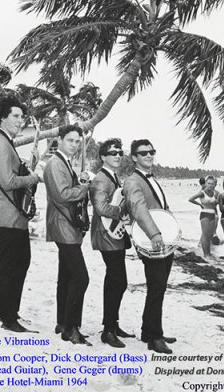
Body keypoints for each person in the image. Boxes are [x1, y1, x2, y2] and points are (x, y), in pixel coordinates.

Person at [0, 96, 40, 332]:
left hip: (14, 214)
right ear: (3, 117)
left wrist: (28, 166)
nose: (20, 121)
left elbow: (9, 172)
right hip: (9, 213)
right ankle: (7, 318)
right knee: (10, 266)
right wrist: (33, 178)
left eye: (21, 117)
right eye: (16, 116)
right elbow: (8, 181)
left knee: (20, 262)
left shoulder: (5, 141)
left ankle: (11, 313)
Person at [123, 139, 176, 354]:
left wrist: (172, 228)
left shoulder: (151, 178)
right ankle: (154, 337)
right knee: (157, 286)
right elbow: (139, 209)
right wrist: (154, 233)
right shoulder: (133, 181)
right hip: (149, 239)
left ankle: (150, 330)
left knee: (159, 287)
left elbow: (161, 206)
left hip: (163, 239)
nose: (148, 156)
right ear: (134, 157)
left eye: (151, 152)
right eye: (143, 153)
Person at [43, 124, 91, 346]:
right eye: (70, 140)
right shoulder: (55, 164)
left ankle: (63, 322)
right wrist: (84, 186)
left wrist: (78, 180)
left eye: (77, 141)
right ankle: (71, 328)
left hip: (65, 224)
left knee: (67, 276)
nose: (74, 144)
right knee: (81, 277)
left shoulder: (64, 162)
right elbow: (62, 194)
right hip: (63, 225)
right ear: (60, 140)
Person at [90, 138, 134, 348]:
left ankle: (112, 325)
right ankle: (108, 329)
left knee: (115, 280)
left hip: (114, 233)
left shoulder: (113, 177)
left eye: (120, 152)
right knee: (117, 280)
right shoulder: (101, 179)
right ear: (103, 157)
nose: (118, 155)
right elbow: (101, 208)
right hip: (106, 234)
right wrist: (124, 211)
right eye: (113, 152)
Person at [189, 175, 218, 258]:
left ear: (214, 184)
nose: (210, 185)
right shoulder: (202, 192)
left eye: (212, 184)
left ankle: (209, 253)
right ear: (206, 183)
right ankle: (206, 254)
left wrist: (216, 203)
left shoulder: (214, 193)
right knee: (205, 235)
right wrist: (200, 204)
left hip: (212, 214)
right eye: (209, 183)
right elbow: (191, 199)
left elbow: (219, 200)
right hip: (205, 214)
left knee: (210, 235)